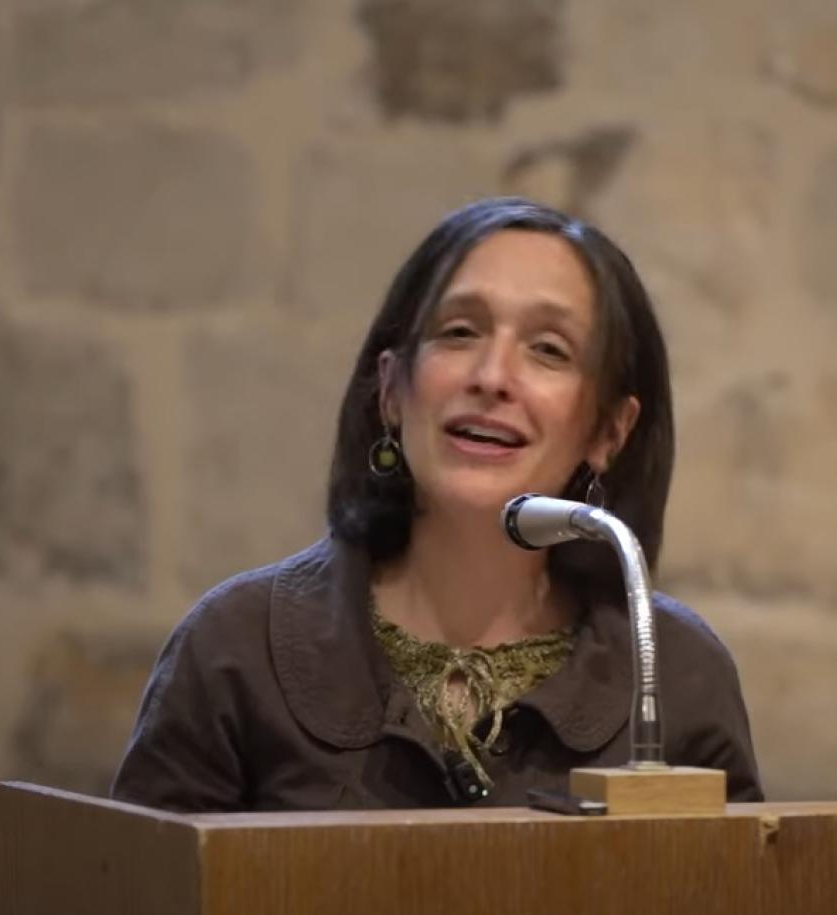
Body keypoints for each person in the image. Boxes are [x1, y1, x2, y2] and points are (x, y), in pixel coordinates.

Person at [111, 196, 762, 812]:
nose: (492, 377)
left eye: (548, 350)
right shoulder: (235, 647)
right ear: (392, 388)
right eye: (459, 332)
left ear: (607, 432)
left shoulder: (678, 673)